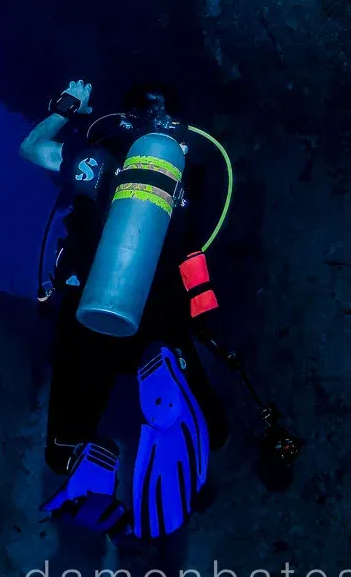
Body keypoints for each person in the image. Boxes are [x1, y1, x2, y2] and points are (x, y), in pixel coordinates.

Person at [20, 79, 231, 540]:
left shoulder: (99, 159)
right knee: (210, 431)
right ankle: (164, 378)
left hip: (90, 309)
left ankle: (89, 460)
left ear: (127, 120)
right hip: (162, 315)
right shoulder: (186, 172)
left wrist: (67, 108)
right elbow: (203, 239)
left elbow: (33, 149)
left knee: (61, 451)